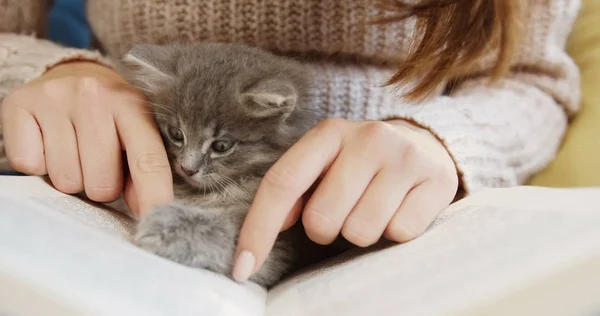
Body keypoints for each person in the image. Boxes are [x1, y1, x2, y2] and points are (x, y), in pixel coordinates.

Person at [0, 0, 581, 283]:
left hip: (400, 204)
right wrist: (50, 70)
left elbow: (531, 82)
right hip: (116, 145)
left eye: (212, 150)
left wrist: (447, 142)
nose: (191, 162)